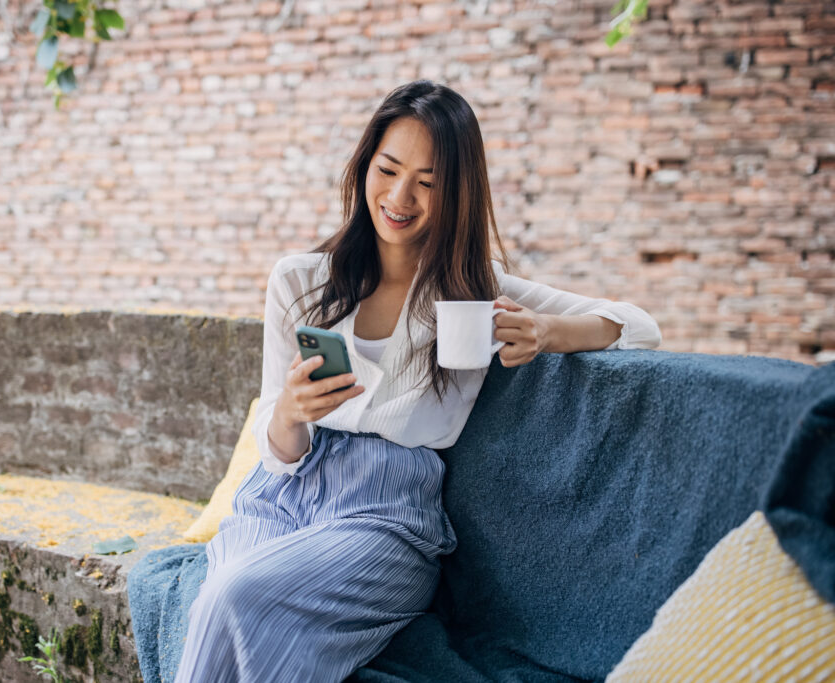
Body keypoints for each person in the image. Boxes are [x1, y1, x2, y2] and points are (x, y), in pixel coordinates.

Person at [172, 80, 662, 682]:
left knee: (236, 596)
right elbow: (278, 462)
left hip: (387, 521)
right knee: (224, 593)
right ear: (364, 167)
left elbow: (639, 326)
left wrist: (548, 332)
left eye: (428, 183)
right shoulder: (299, 282)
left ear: (456, 194)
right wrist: (289, 415)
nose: (401, 197)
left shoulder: (477, 293)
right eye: (388, 169)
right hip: (282, 502)